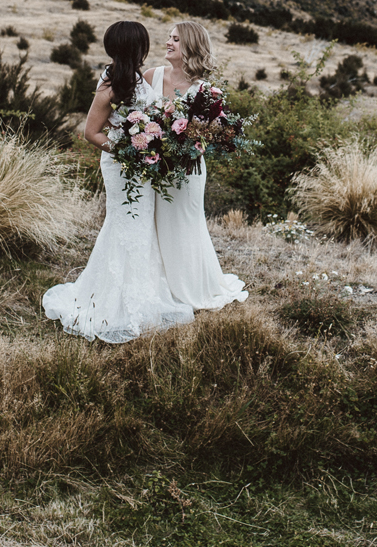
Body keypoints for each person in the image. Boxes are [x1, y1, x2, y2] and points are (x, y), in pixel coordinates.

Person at [42, 21, 194, 343]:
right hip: (122, 167)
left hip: (142, 168)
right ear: (135, 48)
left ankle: (141, 294)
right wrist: (128, 151)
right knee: (126, 226)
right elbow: (90, 133)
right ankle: (115, 302)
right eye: (144, 42)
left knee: (142, 228)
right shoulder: (111, 85)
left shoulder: (136, 79)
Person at [150, 21, 248, 311]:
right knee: (155, 224)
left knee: (185, 224)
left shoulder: (207, 93)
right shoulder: (151, 76)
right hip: (154, 167)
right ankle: (159, 285)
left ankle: (191, 286)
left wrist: (197, 140)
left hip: (187, 169)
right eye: (169, 37)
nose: (168, 42)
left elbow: (215, 136)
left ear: (191, 47)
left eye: (176, 39)